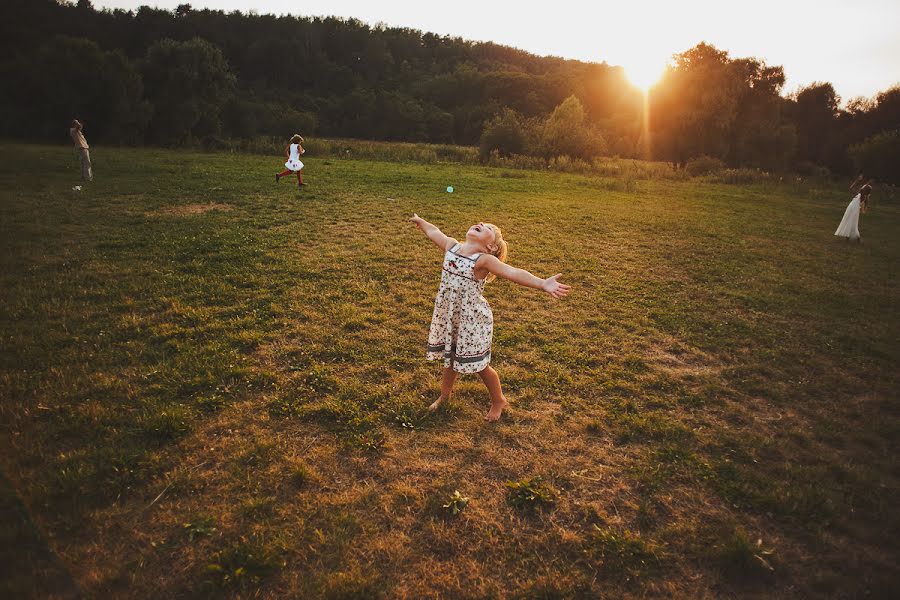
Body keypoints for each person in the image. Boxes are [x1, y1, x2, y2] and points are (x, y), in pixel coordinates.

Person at [410, 214, 571, 421]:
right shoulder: (451, 246)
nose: (480, 224)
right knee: (449, 359)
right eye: (480, 223)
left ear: (491, 247)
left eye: (487, 228)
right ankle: (445, 395)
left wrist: (541, 283)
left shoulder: (484, 260)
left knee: (480, 366)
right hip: (450, 317)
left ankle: (498, 400)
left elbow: (512, 272)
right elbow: (434, 232)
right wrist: (422, 223)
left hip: (472, 321)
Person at [835, 175, 873, 242]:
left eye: (864, 188)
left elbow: (854, 188)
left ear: (865, 191)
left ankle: (853, 237)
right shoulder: (860, 194)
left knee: (852, 222)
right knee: (851, 221)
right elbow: (851, 187)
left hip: (854, 209)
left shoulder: (862, 196)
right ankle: (853, 237)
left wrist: (859, 181)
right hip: (851, 208)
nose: (863, 188)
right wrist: (857, 180)